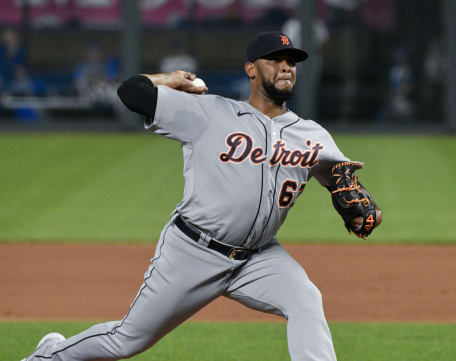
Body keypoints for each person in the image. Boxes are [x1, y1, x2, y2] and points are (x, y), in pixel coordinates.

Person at [21, 31, 382, 361]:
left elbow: (344, 184)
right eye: (275, 59)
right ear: (251, 70)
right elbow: (131, 92)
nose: (286, 66)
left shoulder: (312, 135)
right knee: (126, 340)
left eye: (291, 61)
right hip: (193, 251)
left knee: (306, 299)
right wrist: (172, 80)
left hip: (258, 257)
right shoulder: (210, 112)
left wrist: (363, 210)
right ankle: (49, 355)